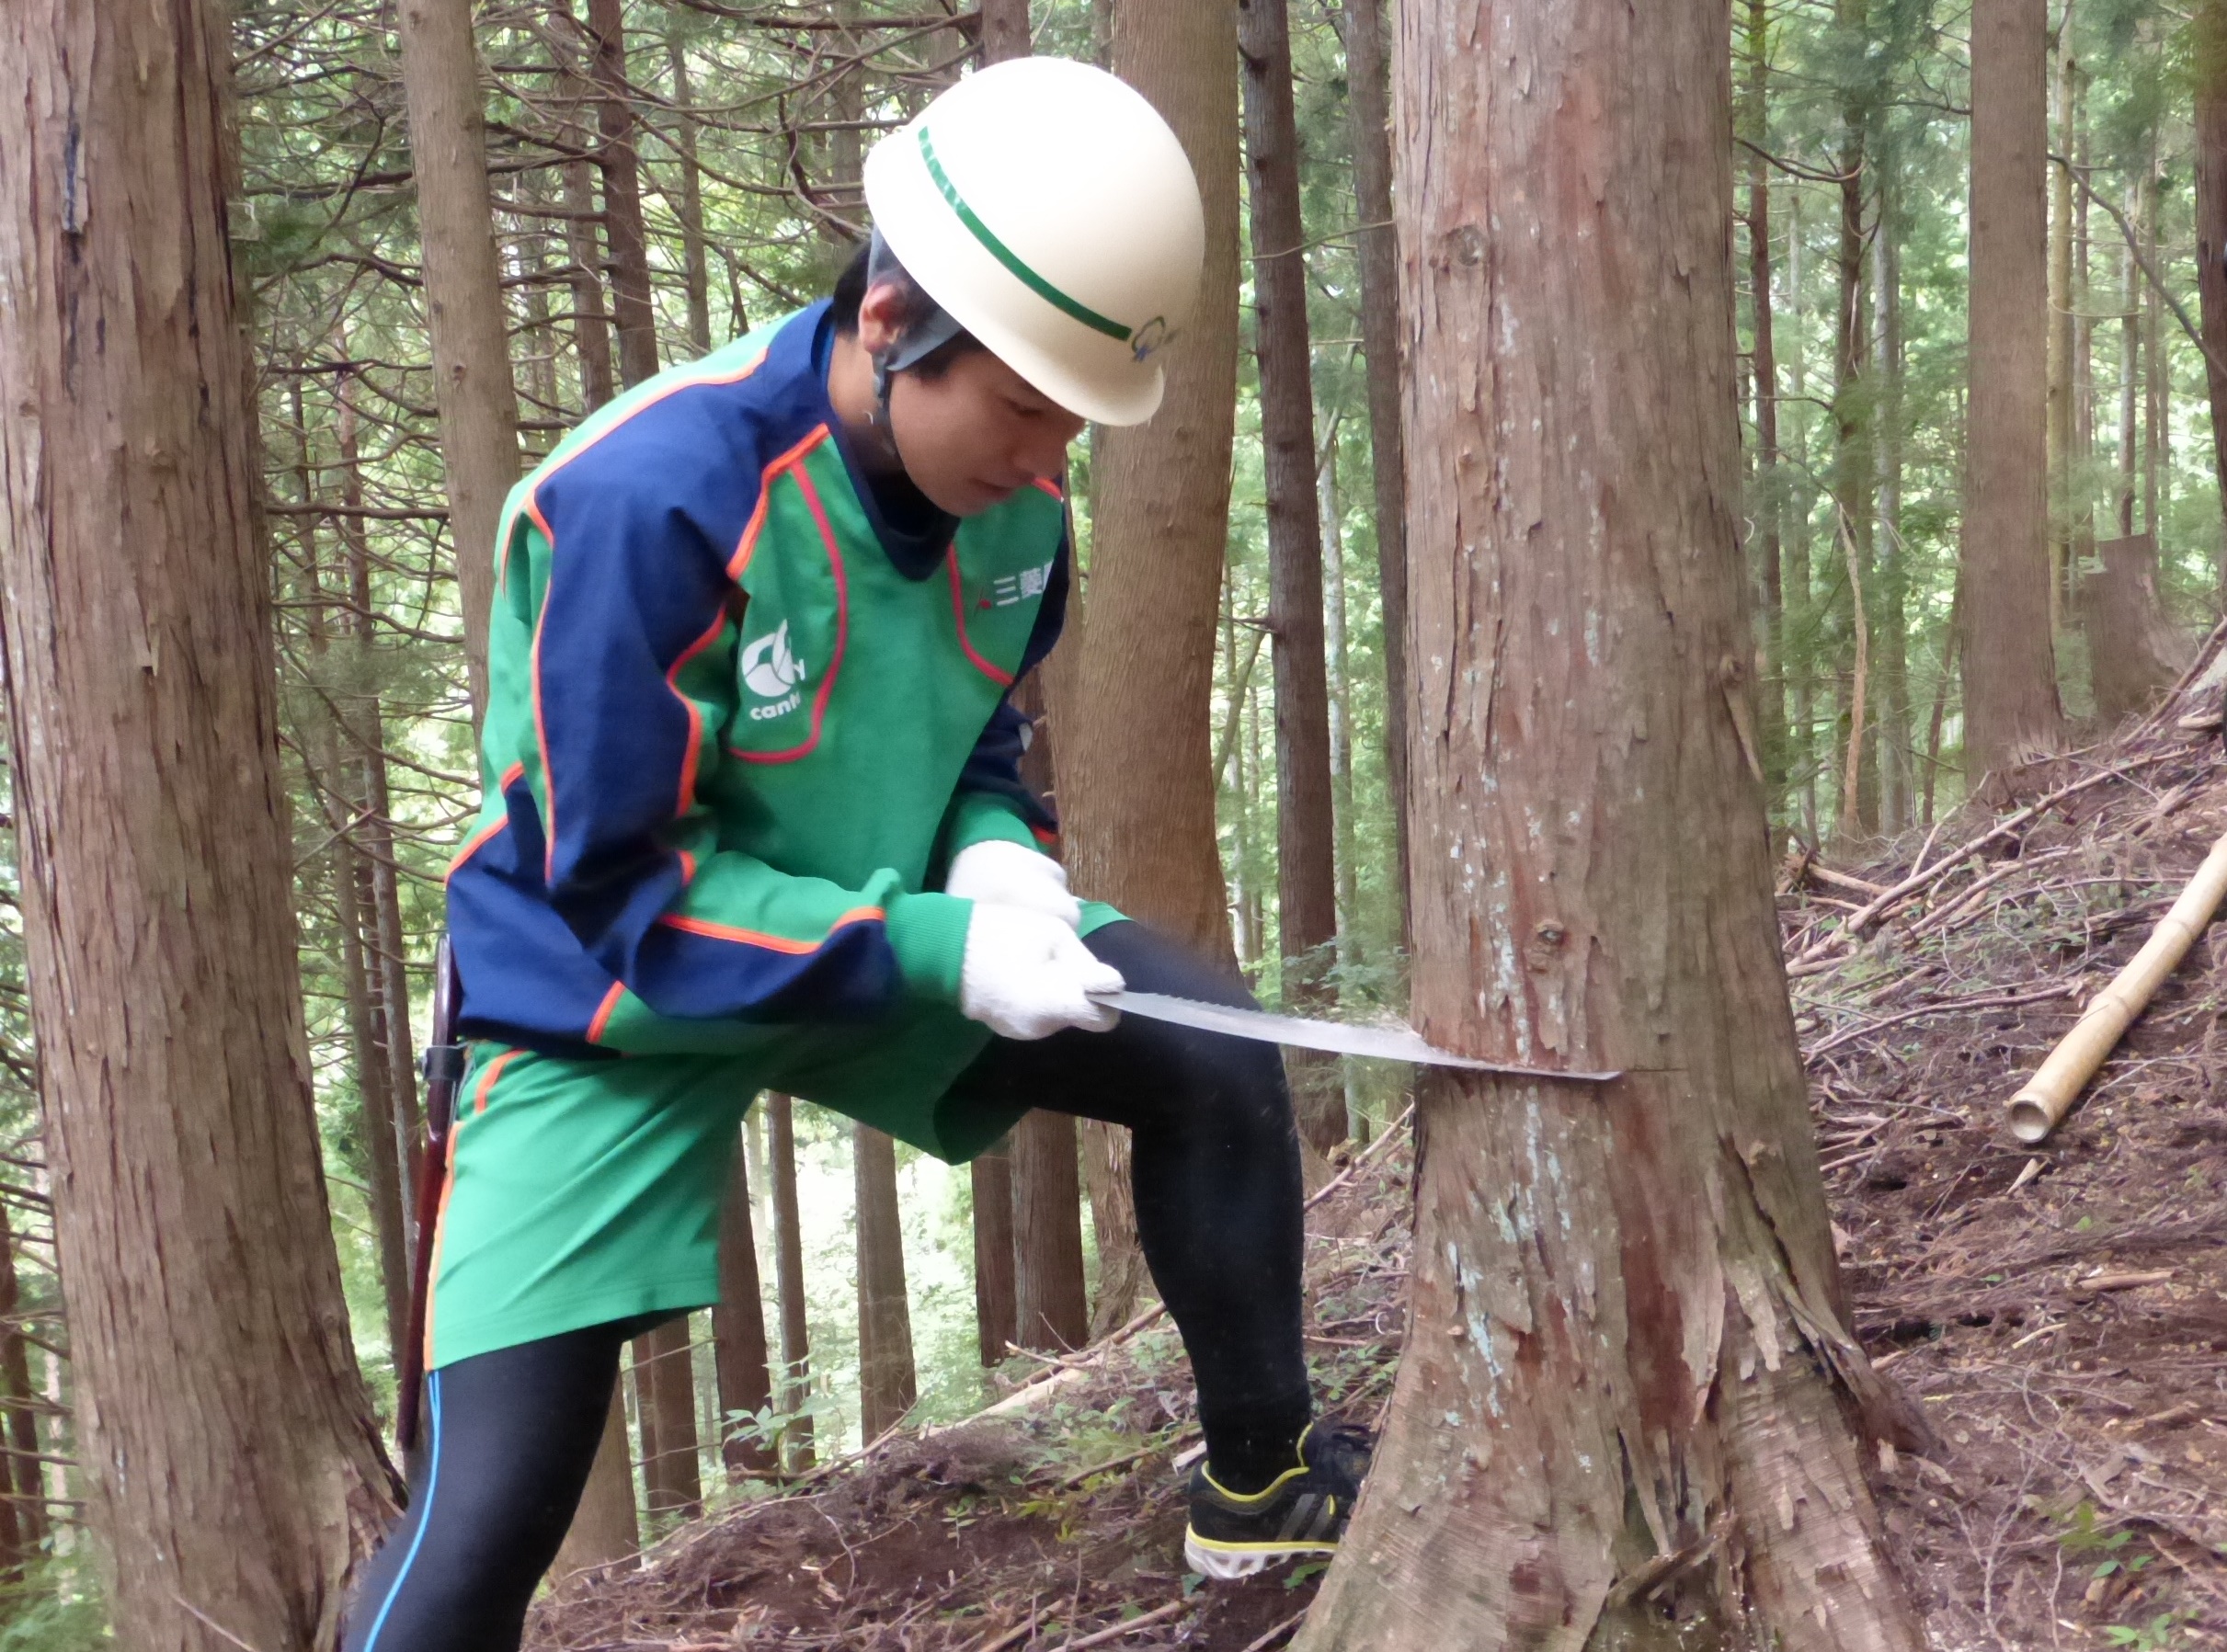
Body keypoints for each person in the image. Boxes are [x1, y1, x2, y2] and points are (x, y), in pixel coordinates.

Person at [342, 56, 1368, 1652]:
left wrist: (996, 862)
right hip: (593, 1016)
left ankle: (1256, 1487)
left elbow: (971, 731)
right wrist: (943, 945)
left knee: (1203, 1050)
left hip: (882, 931)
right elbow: (628, 895)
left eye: (1072, 426)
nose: (1042, 463)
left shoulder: (1014, 510)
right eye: (1021, 405)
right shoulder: (646, 502)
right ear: (889, 322)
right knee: (484, 1523)